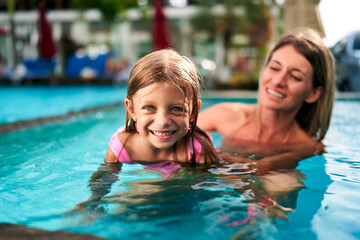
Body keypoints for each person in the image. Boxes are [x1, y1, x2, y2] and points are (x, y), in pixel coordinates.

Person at [198, 28, 335, 161]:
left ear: (314, 93)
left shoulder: (307, 147)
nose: (277, 81)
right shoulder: (226, 114)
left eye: (295, 76)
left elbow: (263, 172)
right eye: (274, 68)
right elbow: (181, 134)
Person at [105, 48, 218, 172]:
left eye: (176, 109)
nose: (163, 121)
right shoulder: (123, 145)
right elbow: (100, 185)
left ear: (193, 112)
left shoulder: (198, 149)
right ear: (132, 109)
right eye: (149, 107)